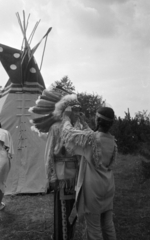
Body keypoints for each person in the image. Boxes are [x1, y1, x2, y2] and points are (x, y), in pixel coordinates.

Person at [29, 83, 90, 240]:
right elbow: (49, 153)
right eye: (75, 109)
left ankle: (68, 235)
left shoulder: (80, 128)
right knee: (63, 209)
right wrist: (52, 176)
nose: (79, 112)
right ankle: (61, 235)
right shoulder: (56, 128)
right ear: (67, 111)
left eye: (79, 109)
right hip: (62, 176)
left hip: (77, 176)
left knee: (73, 209)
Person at [61, 106, 118, 240]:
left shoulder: (90, 139)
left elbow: (68, 135)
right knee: (108, 224)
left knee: (94, 228)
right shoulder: (112, 141)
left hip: (93, 189)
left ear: (98, 120)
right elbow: (92, 135)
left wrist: (67, 118)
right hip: (108, 186)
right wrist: (84, 122)